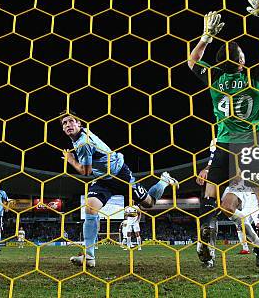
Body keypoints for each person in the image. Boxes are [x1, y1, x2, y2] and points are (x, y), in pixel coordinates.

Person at [190, 0, 259, 271]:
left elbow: (193, 60)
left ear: (219, 63)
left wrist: (207, 36)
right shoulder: (254, 74)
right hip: (254, 143)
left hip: (223, 144)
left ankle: (206, 238)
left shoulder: (214, 78)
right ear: (243, 61)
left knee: (210, 196)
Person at [61, 113, 179, 268]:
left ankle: (164, 181)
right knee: (90, 208)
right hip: (103, 179)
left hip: (120, 175)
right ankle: (89, 256)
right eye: (64, 123)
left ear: (79, 124)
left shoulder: (83, 143)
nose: (68, 125)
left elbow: (85, 172)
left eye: (71, 121)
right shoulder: (82, 136)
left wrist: (71, 160)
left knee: (149, 203)